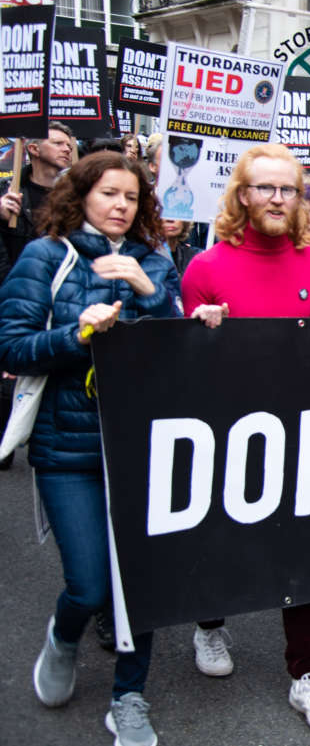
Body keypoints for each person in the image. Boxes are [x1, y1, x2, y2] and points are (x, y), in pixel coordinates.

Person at [0, 150, 179, 746]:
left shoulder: (154, 259)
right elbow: (14, 348)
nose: (121, 206)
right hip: (68, 450)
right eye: (109, 194)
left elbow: (176, 349)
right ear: (82, 196)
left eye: (131, 197)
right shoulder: (45, 257)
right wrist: (80, 333)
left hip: (141, 449)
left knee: (141, 587)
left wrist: (151, 293)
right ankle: (64, 636)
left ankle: (129, 697)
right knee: (90, 586)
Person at [181, 143, 310, 732]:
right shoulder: (204, 269)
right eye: (265, 188)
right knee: (219, 534)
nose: (278, 198)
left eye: (289, 189)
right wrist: (200, 332)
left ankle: (304, 674)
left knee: (299, 552)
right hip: (225, 433)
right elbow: (180, 366)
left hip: (297, 429)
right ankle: (209, 625)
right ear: (242, 195)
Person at [1, 122, 75, 264]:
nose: (67, 149)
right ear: (34, 149)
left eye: (69, 146)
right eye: (58, 143)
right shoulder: (6, 190)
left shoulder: (77, 193)